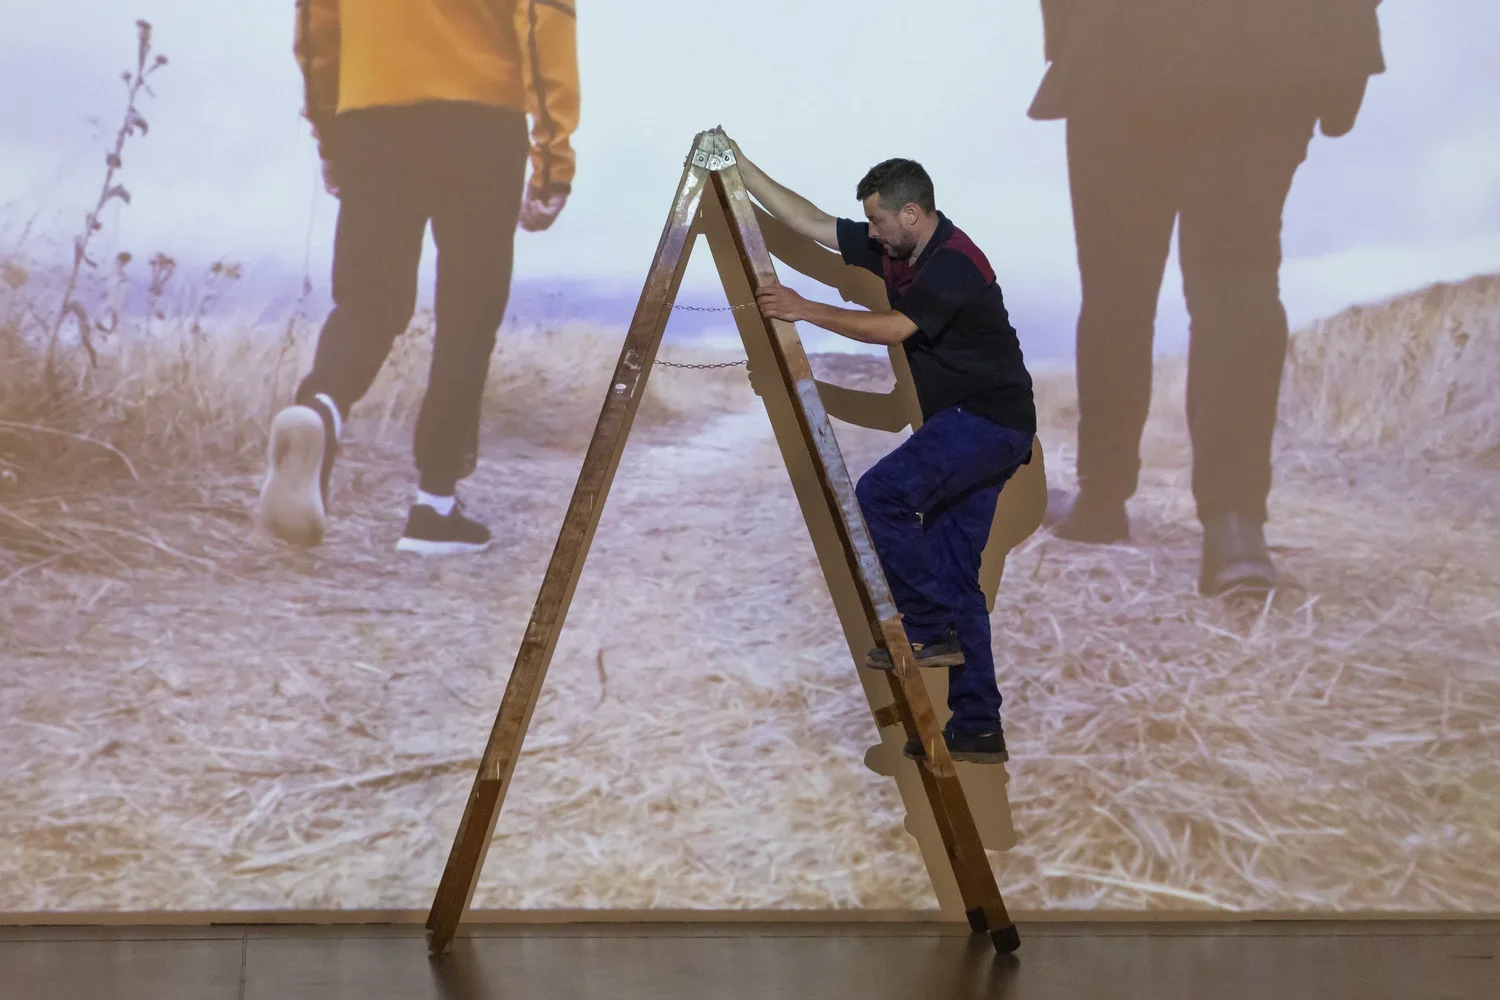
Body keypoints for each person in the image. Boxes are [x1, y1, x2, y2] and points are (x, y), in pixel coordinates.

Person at [1031, 0, 1385, 596]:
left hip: (1136, 41)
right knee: (1231, 282)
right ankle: (1230, 527)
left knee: (1127, 288)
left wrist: (1071, 40)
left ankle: (1110, 498)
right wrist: (1343, 40)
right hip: (1269, 43)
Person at [733, 143, 1037, 765]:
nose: (869, 232)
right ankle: (979, 726)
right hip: (976, 426)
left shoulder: (955, 262)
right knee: (958, 574)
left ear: (911, 214)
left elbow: (894, 329)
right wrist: (739, 165)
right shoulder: (895, 246)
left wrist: (803, 309)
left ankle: (929, 626)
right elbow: (808, 220)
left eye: (877, 220)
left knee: (879, 495)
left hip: (987, 422)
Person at [257, 0, 580, 555]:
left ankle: (319, 411)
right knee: (468, 313)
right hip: (481, 121)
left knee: (368, 303)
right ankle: (434, 507)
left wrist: (331, 136)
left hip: (373, 114)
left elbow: (317, 22)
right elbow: (542, 16)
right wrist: (553, 159)